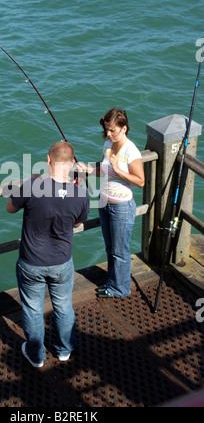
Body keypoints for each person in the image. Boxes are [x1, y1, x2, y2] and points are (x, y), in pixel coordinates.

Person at [6, 141, 89, 368]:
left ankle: (36, 356)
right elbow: (78, 222)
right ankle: (64, 350)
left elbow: (10, 208)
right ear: (73, 163)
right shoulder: (80, 194)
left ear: (48, 160)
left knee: (32, 309)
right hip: (62, 262)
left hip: (31, 262)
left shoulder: (33, 186)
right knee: (63, 306)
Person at [77, 108, 144, 298]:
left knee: (120, 251)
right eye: (107, 129)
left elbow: (140, 181)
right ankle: (112, 282)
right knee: (110, 247)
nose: (108, 133)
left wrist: (118, 169)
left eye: (113, 130)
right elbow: (105, 169)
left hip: (121, 207)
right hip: (104, 202)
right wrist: (89, 169)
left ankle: (120, 289)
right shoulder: (108, 143)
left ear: (124, 128)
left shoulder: (131, 151)